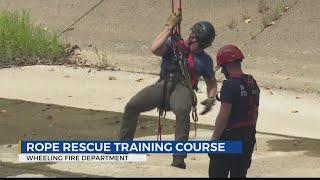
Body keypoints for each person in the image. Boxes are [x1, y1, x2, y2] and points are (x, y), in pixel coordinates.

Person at [119, 12, 218, 169]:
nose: (199, 47)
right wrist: (168, 27)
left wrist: (211, 98)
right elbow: (155, 49)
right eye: (199, 43)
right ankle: (124, 148)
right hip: (164, 84)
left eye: (203, 45)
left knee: (182, 111)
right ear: (192, 36)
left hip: (183, 88)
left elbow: (211, 82)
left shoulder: (205, 60)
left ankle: (179, 157)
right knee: (132, 106)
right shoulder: (174, 44)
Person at [208, 45, 260, 178]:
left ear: (227, 65)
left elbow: (223, 116)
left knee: (217, 174)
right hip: (248, 137)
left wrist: (214, 140)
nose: (222, 72)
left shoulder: (230, 85)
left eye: (222, 68)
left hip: (230, 139)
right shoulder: (252, 82)